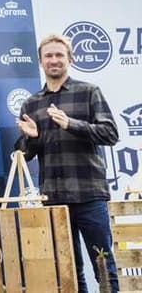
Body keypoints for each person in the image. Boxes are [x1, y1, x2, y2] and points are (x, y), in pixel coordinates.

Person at [15, 33, 119, 292]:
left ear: (70, 59)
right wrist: (31, 139)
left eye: (59, 55)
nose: (54, 60)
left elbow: (110, 134)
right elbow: (24, 155)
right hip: (53, 198)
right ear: (40, 62)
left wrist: (71, 124)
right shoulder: (32, 103)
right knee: (67, 269)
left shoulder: (88, 92)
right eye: (48, 56)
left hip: (89, 196)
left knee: (103, 264)